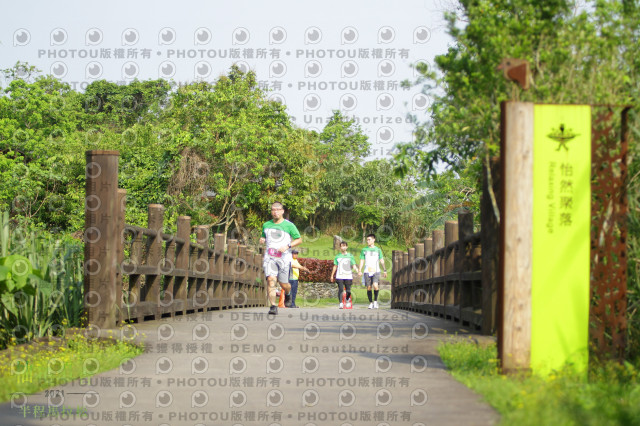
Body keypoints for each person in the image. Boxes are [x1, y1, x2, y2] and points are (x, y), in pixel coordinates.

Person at [259, 202, 302, 315]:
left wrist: (287, 246)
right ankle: (273, 306)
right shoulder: (266, 225)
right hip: (270, 258)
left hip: (284, 258)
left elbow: (299, 239)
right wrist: (262, 240)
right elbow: (263, 237)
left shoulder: (289, 225)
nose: (275, 212)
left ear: (282, 211)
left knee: (284, 284)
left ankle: (288, 294)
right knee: (271, 280)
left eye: (278, 210)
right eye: (273, 210)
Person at [358, 233, 387, 309]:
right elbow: (362, 260)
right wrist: (359, 270)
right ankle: (370, 303)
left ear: (373, 240)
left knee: (375, 285)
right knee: (369, 287)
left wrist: (385, 270)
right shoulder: (364, 250)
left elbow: (381, 260)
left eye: (369, 239)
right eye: (367, 240)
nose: (368, 241)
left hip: (376, 270)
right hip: (367, 271)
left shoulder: (378, 250)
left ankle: (375, 301)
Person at [331, 241, 358, 309]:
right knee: (340, 289)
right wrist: (332, 275)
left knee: (348, 290)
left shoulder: (350, 256)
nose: (343, 247)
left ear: (346, 247)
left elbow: (354, 265)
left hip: (348, 275)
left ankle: (347, 300)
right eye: (341, 246)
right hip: (339, 275)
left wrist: (358, 271)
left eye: (344, 246)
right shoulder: (337, 256)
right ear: (340, 247)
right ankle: (340, 303)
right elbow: (335, 266)